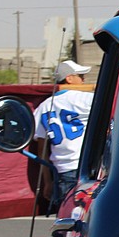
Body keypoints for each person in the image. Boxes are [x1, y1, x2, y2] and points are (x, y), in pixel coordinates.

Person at [33, 60, 95, 212]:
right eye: (80, 76)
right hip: (86, 169)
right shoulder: (85, 99)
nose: (83, 80)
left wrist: (47, 182)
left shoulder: (44, 106)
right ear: (69, 78)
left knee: (65, 223)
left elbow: (42, 150)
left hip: (61, 173)